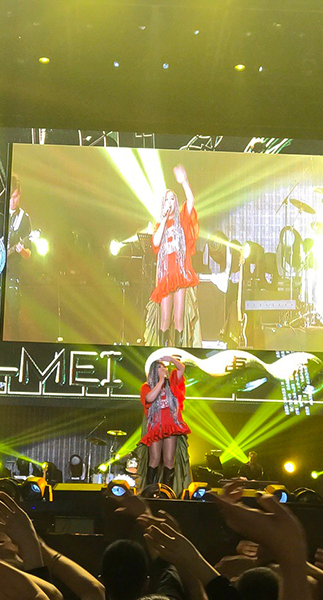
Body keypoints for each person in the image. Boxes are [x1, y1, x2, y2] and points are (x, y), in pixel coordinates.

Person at [150, 165, 199, 347]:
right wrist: (163, 219)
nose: (170, 202)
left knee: (178, 318)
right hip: (166, 276)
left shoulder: (182, 219)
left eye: (172, 199)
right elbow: (156, 243)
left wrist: (184, 181)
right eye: (167, 199)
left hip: (180, 273)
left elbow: (191, 200)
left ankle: (178, 352)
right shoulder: (160, 224)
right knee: (165, 319)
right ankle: (162, 351)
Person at [139, 356, 191, 492]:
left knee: (169, 460)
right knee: (154, 459)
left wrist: (171, 359)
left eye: (165, 367)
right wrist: (160, 381)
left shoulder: (172, 382)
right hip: (156, 427)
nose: (164, 369)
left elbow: (181, 368)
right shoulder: (146, 387)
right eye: (160, 367)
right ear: (154, 370)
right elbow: (149, 398)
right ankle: (150, 491)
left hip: (170, 426)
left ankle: (167, 491)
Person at [5, 175, 32, 340]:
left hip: (12, 273)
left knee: (13, 313)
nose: (12, 201)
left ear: (20, 194)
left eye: (15, 197)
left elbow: (29, 254)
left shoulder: (24, 219)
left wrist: (21, 250)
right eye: (10, 197)